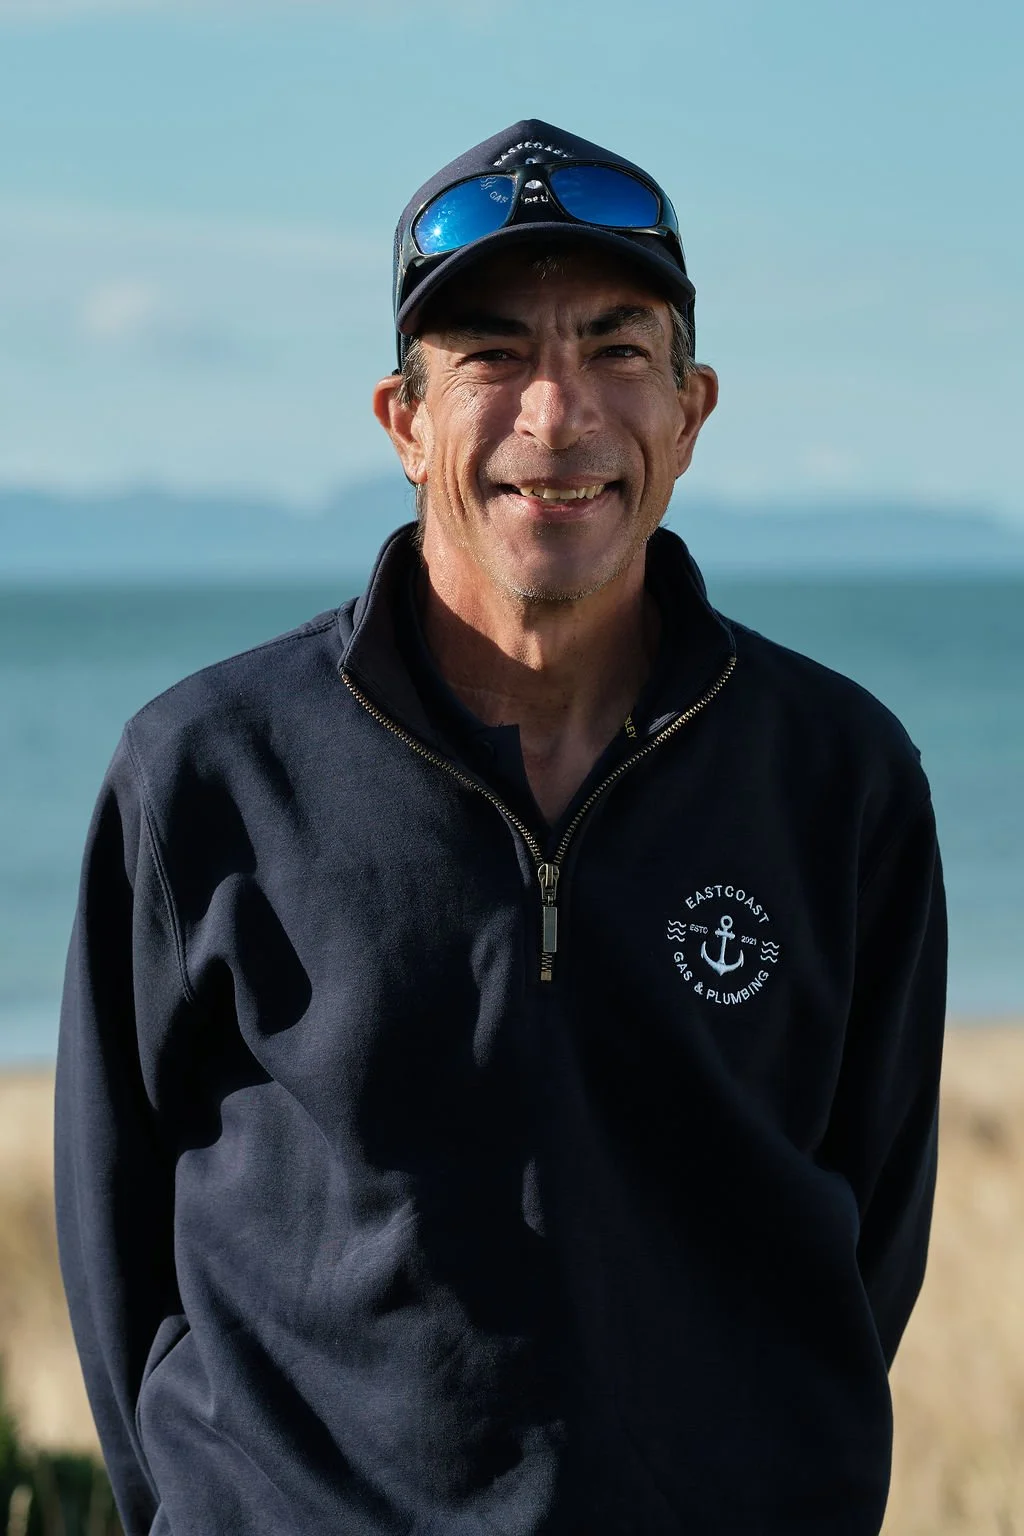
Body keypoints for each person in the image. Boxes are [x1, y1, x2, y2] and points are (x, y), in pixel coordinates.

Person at [56, 119, 947, 1536]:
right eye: (492, 357)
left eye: (616, 351)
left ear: (693, 410)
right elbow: (112, 1245)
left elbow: (871, 1233)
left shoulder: (838, 778)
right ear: (402, 423)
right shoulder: (205, 772)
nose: (558, 413)